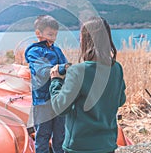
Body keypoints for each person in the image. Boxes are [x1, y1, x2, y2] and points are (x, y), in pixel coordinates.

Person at [49, 16, 126, 153]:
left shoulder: (78, 71)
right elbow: (120, 100)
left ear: (85, 40)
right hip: (107, 144)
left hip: (80, 146)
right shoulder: (116, 68)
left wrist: (56, 81)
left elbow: (60, 108)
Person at [25, 15, 68, 153]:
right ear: (38, 33)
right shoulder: (33, 52)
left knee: (60, 135)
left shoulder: (57, 50)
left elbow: (65, 66)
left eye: (55, 34)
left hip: (58, 98)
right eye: (50, 34)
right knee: (42, 136)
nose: (53, 38)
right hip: (42, 101)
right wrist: (63, 68)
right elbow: (43, 71)